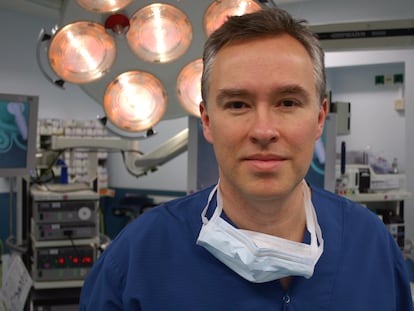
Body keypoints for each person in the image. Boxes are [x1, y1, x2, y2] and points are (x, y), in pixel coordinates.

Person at [80, 7, 413, 310]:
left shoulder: (371, 245)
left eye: (288, 102)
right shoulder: (137, 259)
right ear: (207, 120)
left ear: (320, 119)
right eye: (238, 104)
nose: (264, 131)